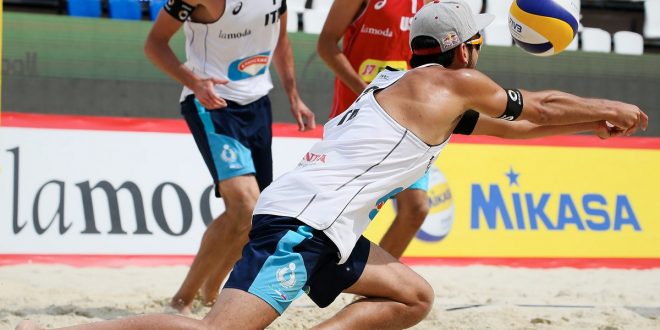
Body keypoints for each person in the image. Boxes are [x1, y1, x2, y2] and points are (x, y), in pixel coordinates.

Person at [17, 1, 647, 329]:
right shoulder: (446, 85)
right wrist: (608, 104)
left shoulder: (413, 89)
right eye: (477, 40)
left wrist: (588, 122)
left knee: (412, 296)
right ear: (466, 47)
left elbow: (517, 129)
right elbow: (536, 103)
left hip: (327, 224)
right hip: (302, 224)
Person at [143, 0, 316, 312]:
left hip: (258, 102)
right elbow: (154, 43)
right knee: (244, 203)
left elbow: (281, 41)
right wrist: (193, 81)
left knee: (254, 215)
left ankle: (210, 292)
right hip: (211, 102)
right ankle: (181, 300)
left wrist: (294, 97)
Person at [318, 0, 436, 259]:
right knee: (336, 213)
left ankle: (371, 292)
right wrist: (367, 93)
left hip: (408, 121)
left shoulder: (433, 3)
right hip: (358, 117)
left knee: (416, 208)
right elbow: (326, 45)